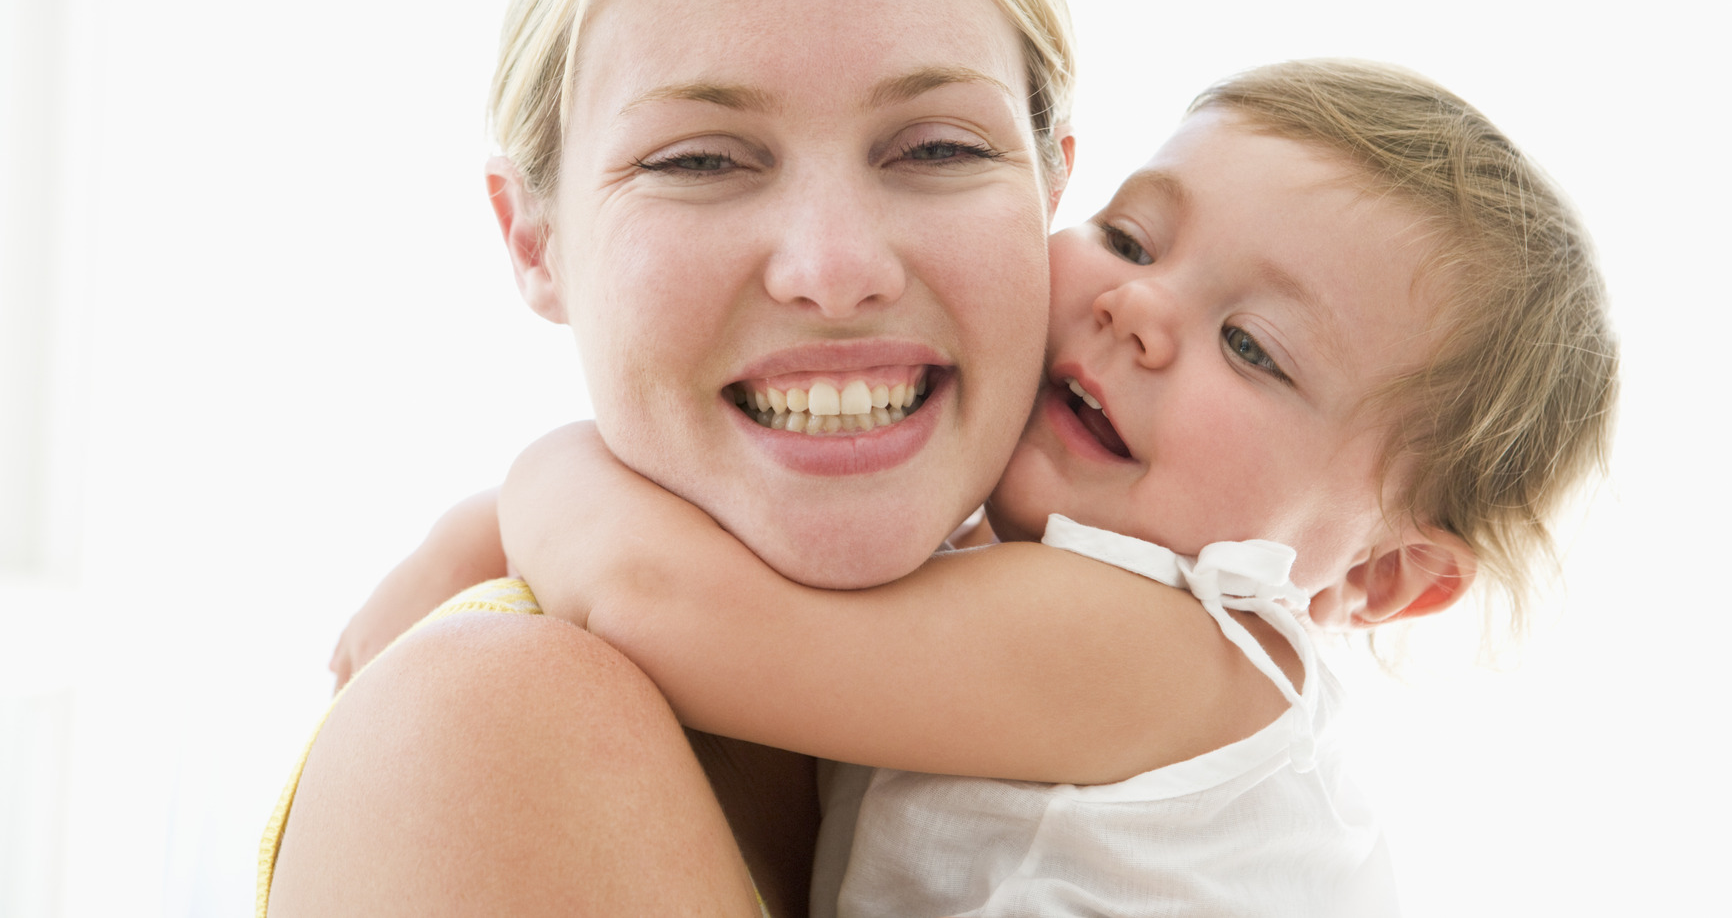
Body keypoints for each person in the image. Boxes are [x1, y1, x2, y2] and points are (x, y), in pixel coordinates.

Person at [487, 59, 1619, 916]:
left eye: (1253, 347)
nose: (1138, 307)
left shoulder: (1179, 653)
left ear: (1384, 575)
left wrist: (525, 487)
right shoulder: (1018, 579)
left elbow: (658, 600)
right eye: (1130, 238)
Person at [262, 0, 1075, 915]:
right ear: (534, 239)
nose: (835, 271)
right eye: (699, 160)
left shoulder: (1137, 664)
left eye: (937, 150)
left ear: (1052, 193)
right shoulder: (497, 727)